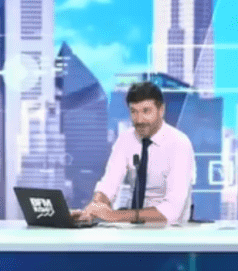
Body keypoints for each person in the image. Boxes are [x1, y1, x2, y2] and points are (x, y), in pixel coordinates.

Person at [76, 81, 195, 225]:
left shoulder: (179, 143)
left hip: (171, 230)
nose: (139, 120)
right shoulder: (126, 139)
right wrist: (95, 207)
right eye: (134, 112)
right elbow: (109, 183)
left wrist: (114, 216)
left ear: (161, 110)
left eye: (146, 111)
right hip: (132, 228)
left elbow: (172, 210)